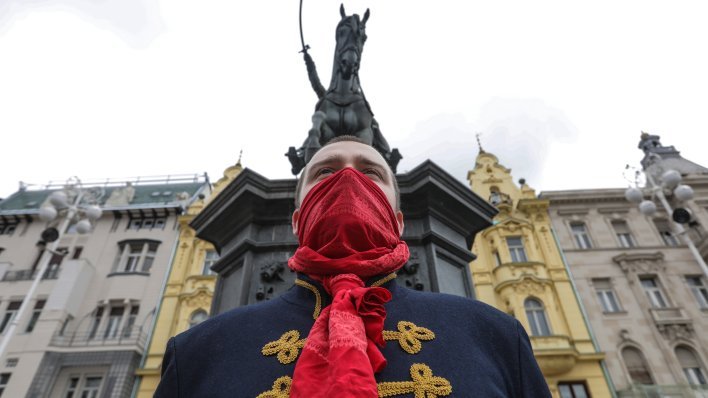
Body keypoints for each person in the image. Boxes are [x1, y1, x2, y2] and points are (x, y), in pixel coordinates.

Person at [154, 136, 551, 398]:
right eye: (324, 172)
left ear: (398, 222)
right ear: (297, 220)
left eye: (371, 172)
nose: (347, 178)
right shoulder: (197, 352)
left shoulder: (494, 336)